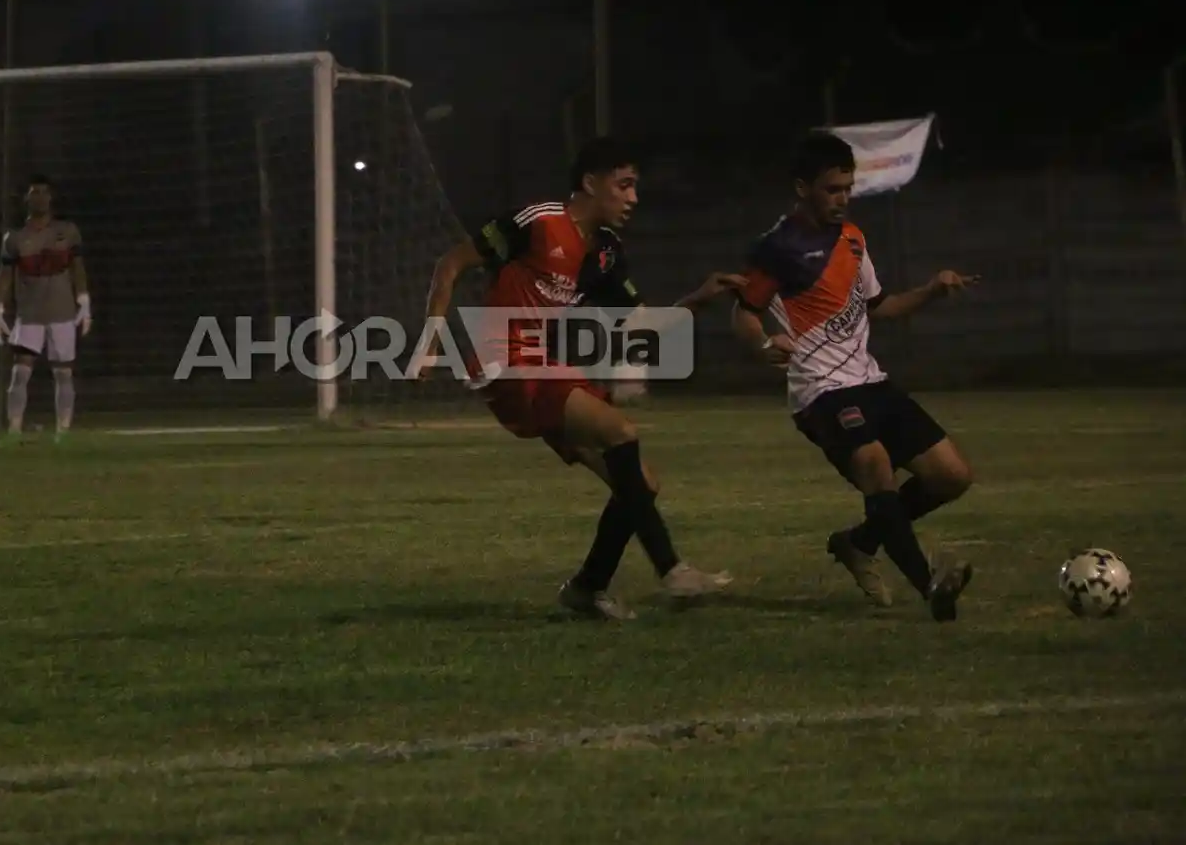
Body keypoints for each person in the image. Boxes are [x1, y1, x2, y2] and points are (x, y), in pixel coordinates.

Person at [419, 137, 743, 621]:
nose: (633, 198)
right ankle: (673, 569)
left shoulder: (606, 253)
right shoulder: (539, 221)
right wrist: (431, 340)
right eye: (625, 185)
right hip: (504, 358)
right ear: (591, 183)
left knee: (641, 484)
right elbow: (451, 264)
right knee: (622, 432)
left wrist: (697, 299)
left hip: (540, 365)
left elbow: (641, 326)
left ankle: (587, 587)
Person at [730, 131, 980, 621]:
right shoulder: (776, 247)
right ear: (803, 188)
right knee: (875, 464)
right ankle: (929, 586)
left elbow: (881, 307)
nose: (842, 198)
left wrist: (932, 289)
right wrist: (763, 345)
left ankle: (858, 543)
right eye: (832, 189)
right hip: (820, 391)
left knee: (952, 476)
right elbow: (742, 314)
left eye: (848, 187)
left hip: (870, 380)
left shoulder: (853, 239)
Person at [0, 175, 91, 438]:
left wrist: (84, 301)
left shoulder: (67, 232)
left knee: (64, 373)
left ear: (52, 197)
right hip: (30, 314)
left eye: (44, 193)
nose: (40, 198)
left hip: (62, 313)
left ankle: (64, 431)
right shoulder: (15, 238)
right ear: (26, 198)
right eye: (34, 193)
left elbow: (77, 268)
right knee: (20, 371)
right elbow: (5, 274)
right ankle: (14, 430)